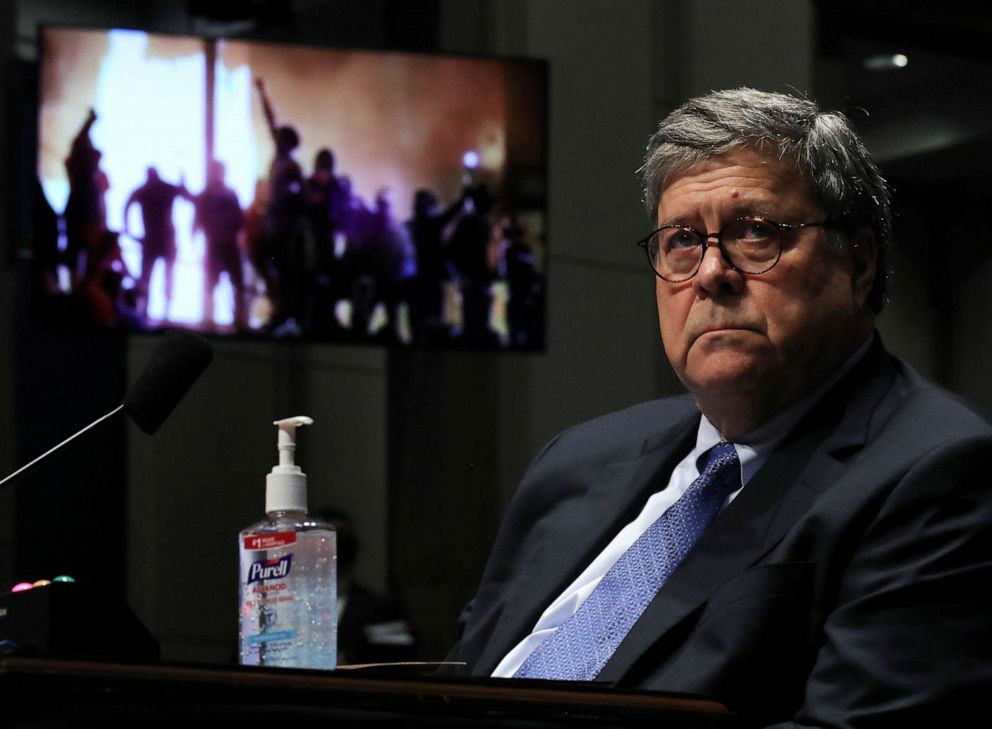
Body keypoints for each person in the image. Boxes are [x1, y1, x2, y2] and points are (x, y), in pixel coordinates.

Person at [445, 88, 992, 726]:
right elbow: (456, 682)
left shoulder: (940, 473)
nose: (711, 272)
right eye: (682, 240)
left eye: (756, 232)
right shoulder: (579, 460)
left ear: (859, 262)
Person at [194, 160, 246, 329]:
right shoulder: (206, 195)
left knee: (236, 283)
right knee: (212, 284)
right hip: (214, 246)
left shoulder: (230, 194)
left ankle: (239, 319)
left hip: (229, 245)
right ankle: (210, 318)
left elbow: (239, 220)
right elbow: (198, 219)